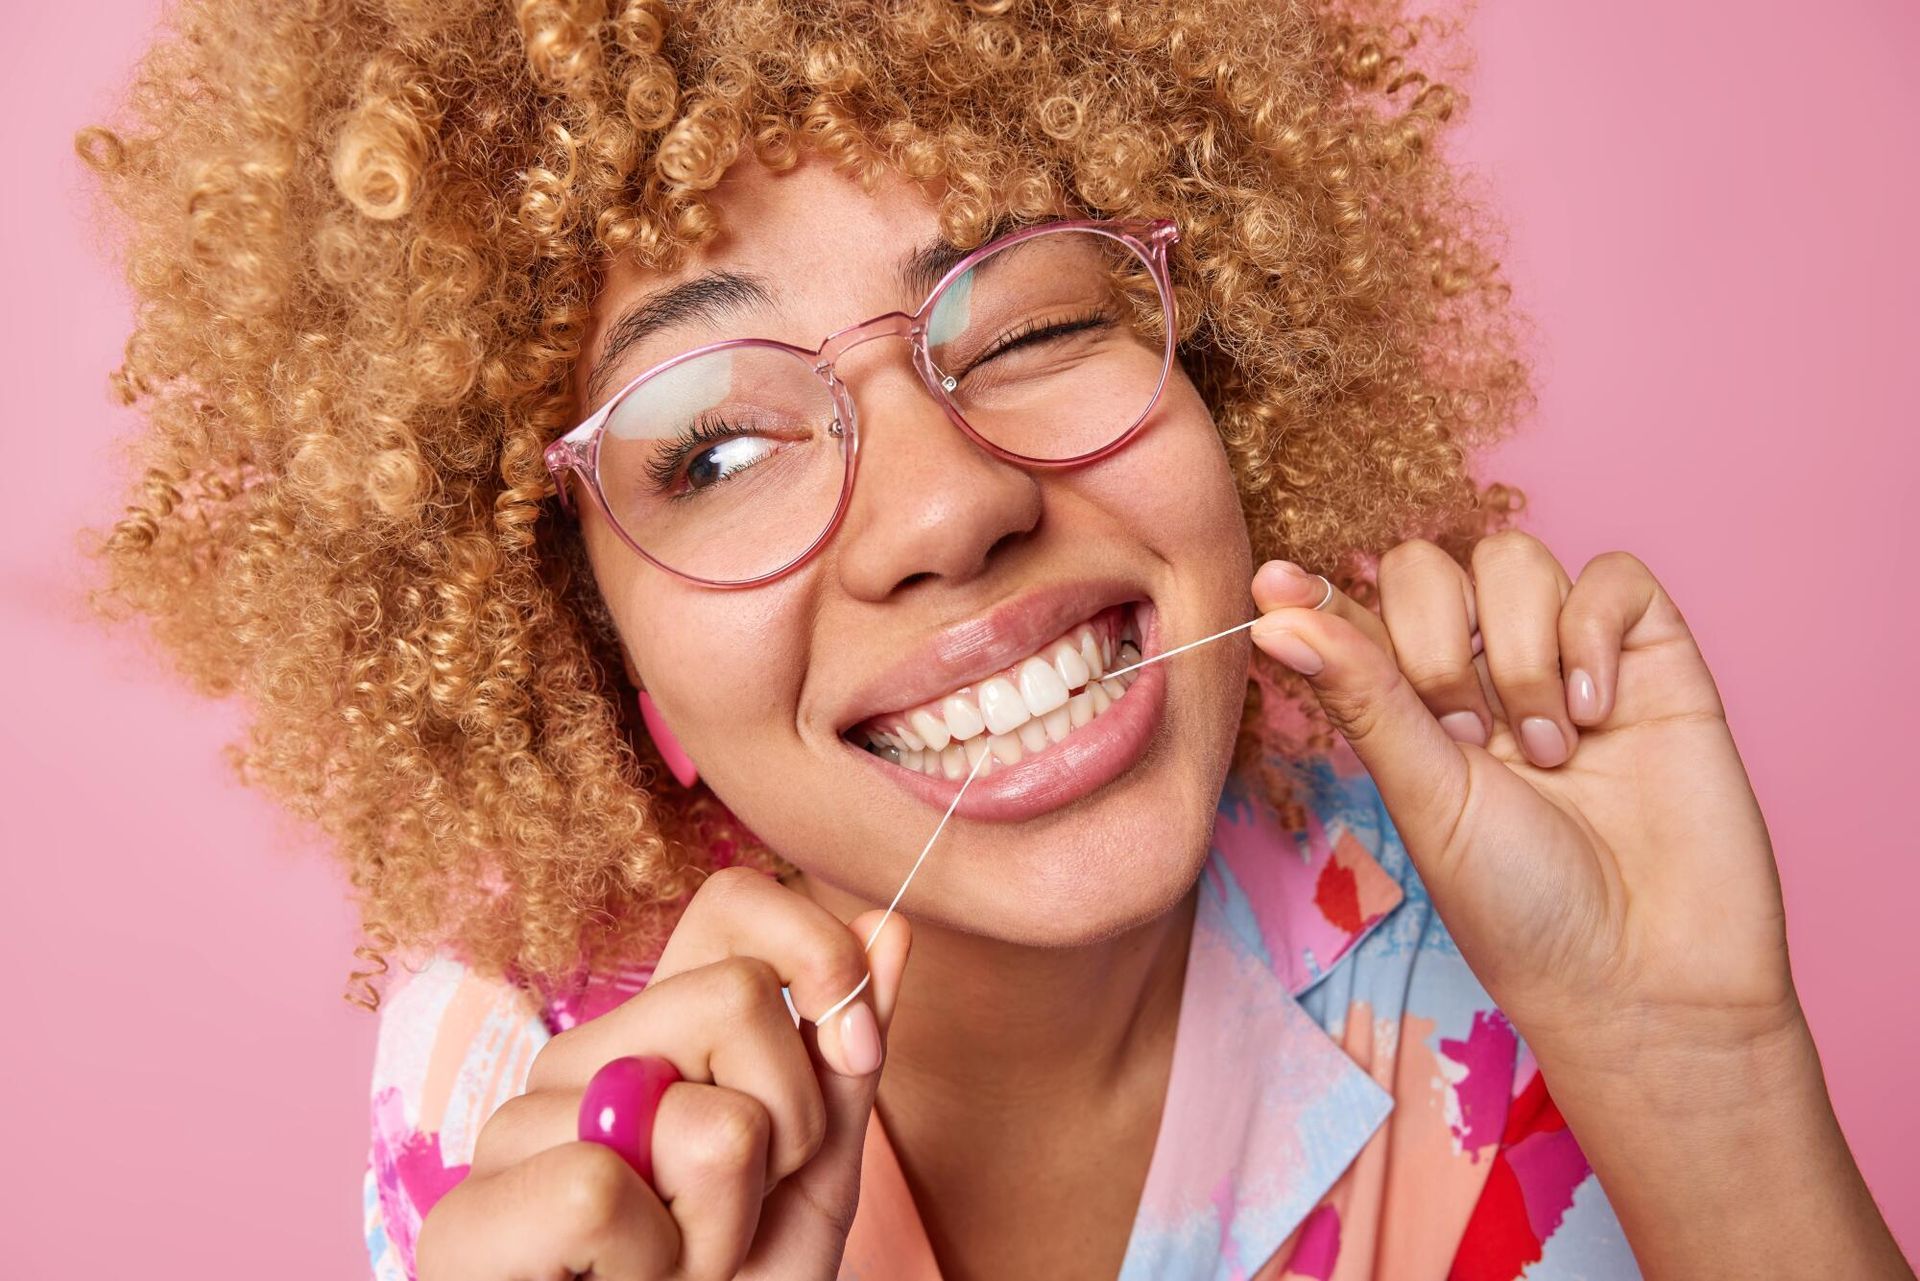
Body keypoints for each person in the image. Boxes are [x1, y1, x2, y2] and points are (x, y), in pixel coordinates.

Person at [77, 0, 1912, 1277]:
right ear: (586, 643)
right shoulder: (525, 1116)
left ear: (1228, 370)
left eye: (1028, 319)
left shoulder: (1504, 949)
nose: (951, 506)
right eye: (715, 446)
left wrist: (1701, 1075)